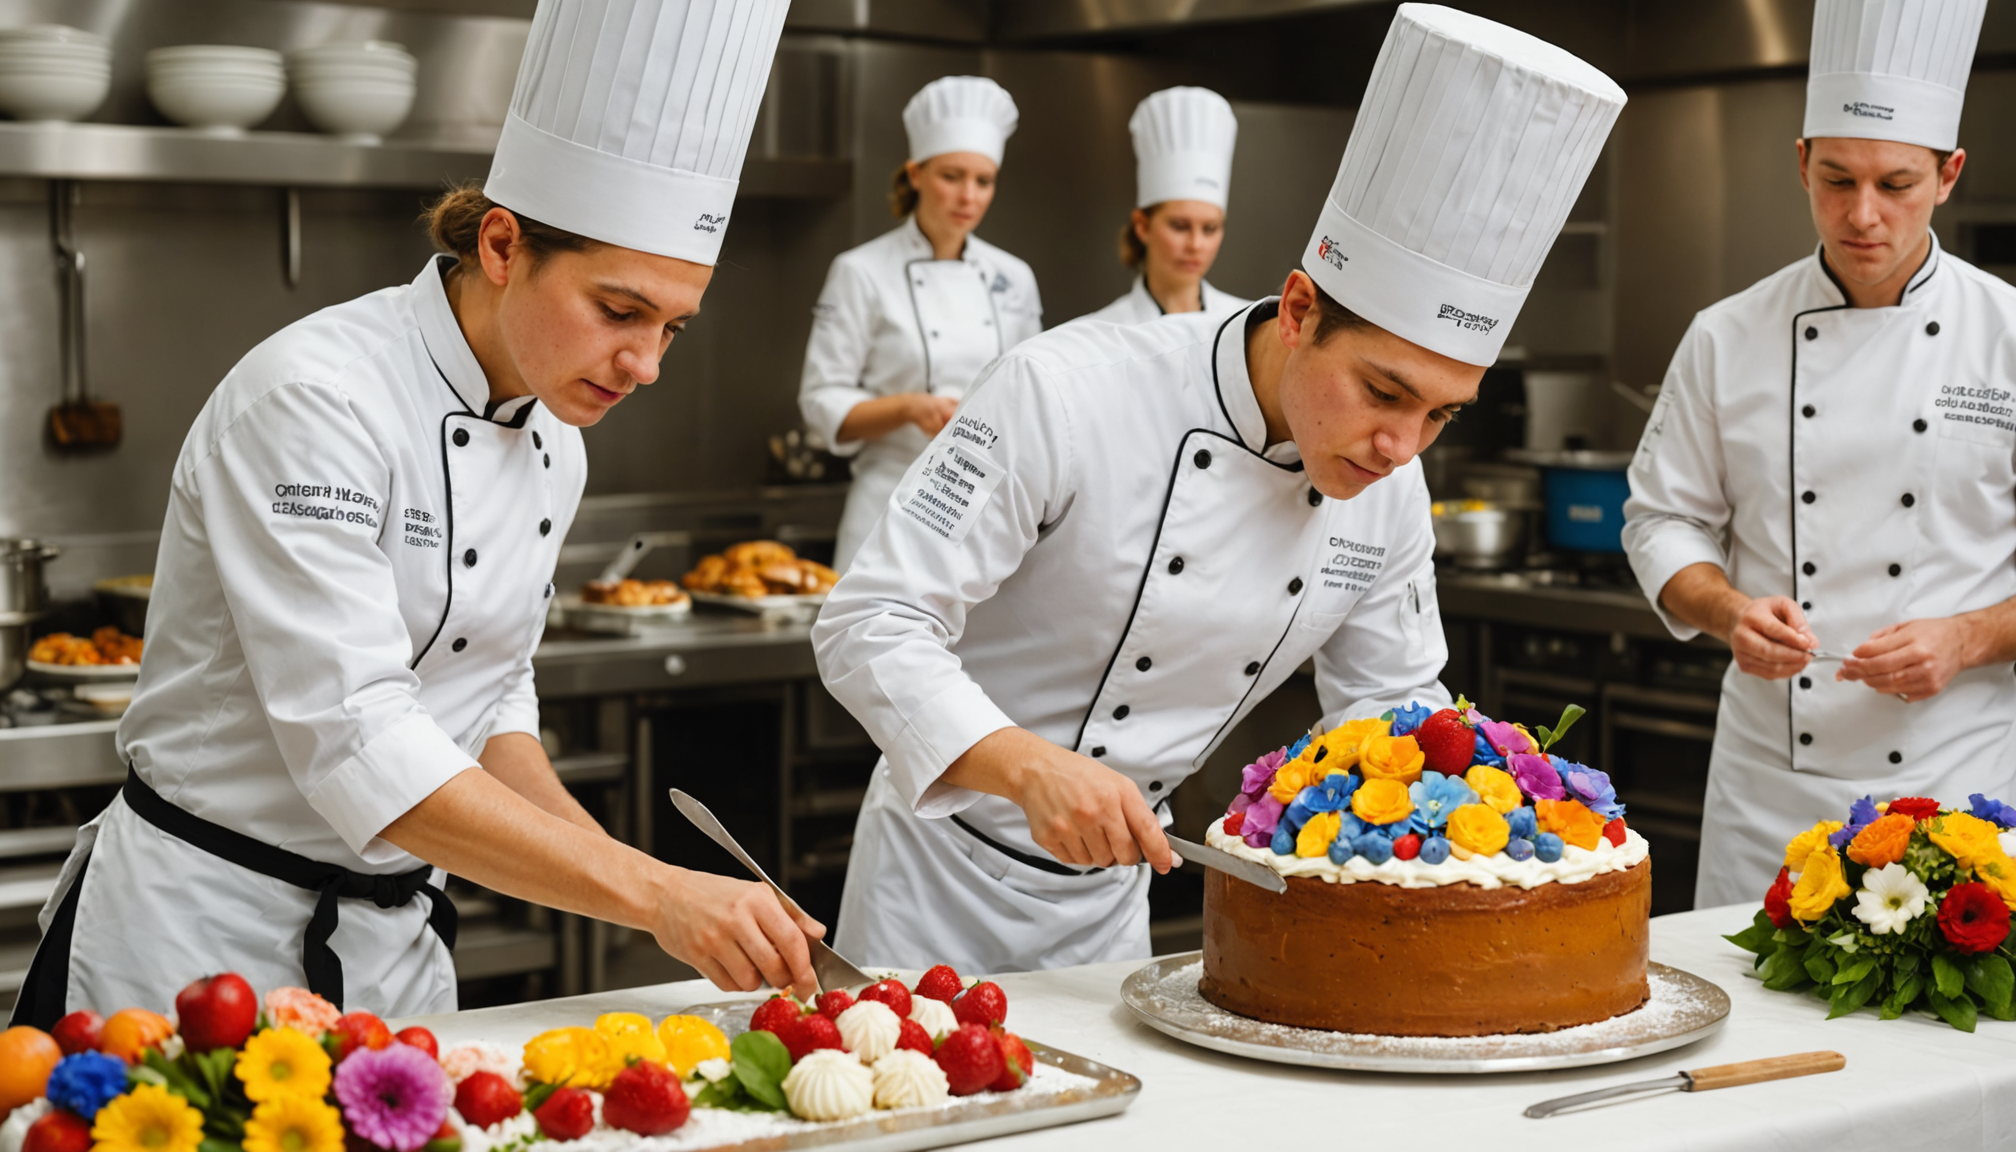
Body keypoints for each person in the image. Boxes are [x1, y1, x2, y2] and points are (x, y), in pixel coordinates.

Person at [12, 0, 824, 1028]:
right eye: (619, 311)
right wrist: (654, 894)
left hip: (393, 959)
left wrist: (642, 879)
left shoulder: (554, 436)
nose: (647, 365)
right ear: (500, 244)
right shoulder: (316, 402)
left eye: (674, 327)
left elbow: (484, 706)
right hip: (195, 950)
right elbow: (360, 744)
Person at [815, 4, 1623, 972]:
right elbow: (868, 622)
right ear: (1297, 309)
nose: (1400, 446)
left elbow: (1390, 718)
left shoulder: (1391, 486)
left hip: (1117, 904)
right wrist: (1027, 767)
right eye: (1382, 390)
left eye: (1444, 413)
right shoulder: (1064, 390)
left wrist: (1495, 828)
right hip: (931, 890)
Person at [1622, 0, 2016, 908]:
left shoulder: (2003, 336)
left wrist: (1965, 638)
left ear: (1949, 174)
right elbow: (1661, 520)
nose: (1863, 215)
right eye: (1837, 179)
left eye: (1897, 184)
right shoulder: (1726, 336)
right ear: (1801, 163)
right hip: (1772, 791)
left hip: (1959, 782)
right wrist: (1726, 613)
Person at [798, 76, 1043, 573]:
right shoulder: (861, 271)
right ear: (915, 174)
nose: (968, 195)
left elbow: (1035, 393)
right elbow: (820, 402)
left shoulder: (1014, 278)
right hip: (887, 505)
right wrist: (911, 408)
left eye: (983, 180)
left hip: (985, 512)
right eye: (952, 176)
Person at [1078, 87, 1249, 324]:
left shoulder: (1246, 325)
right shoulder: (1101, 332)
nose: (1195, 245)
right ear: (1142, 226)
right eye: (1179, 226)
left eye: (1210, 228)